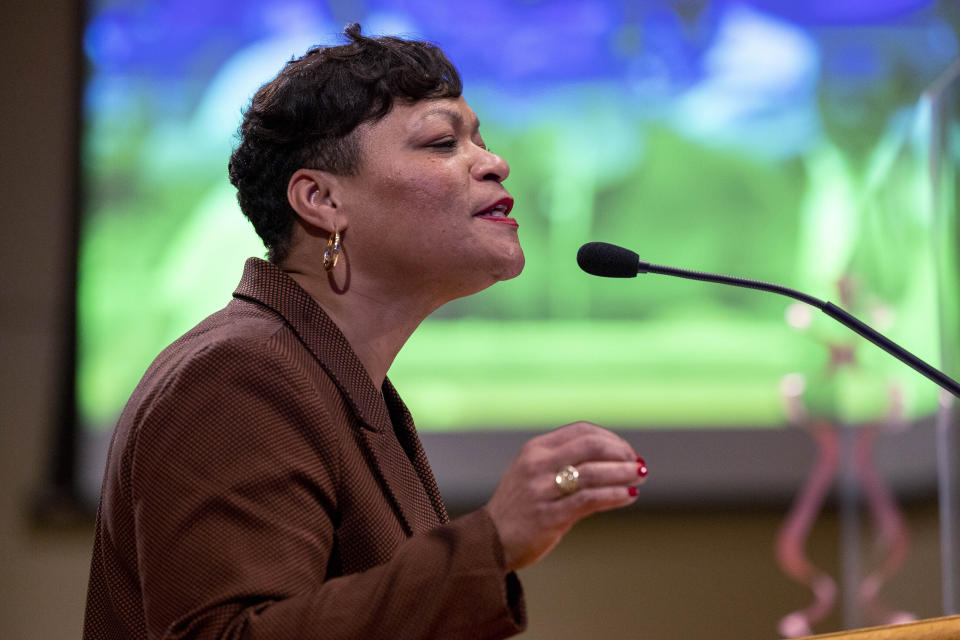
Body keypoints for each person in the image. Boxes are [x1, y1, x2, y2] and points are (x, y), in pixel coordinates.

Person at [83, 24, 648, 640]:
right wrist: (492, 541)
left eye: (479, 139)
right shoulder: (238, 375)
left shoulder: (331, 374)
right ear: (321, 201)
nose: (494, 162)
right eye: (441, 143)